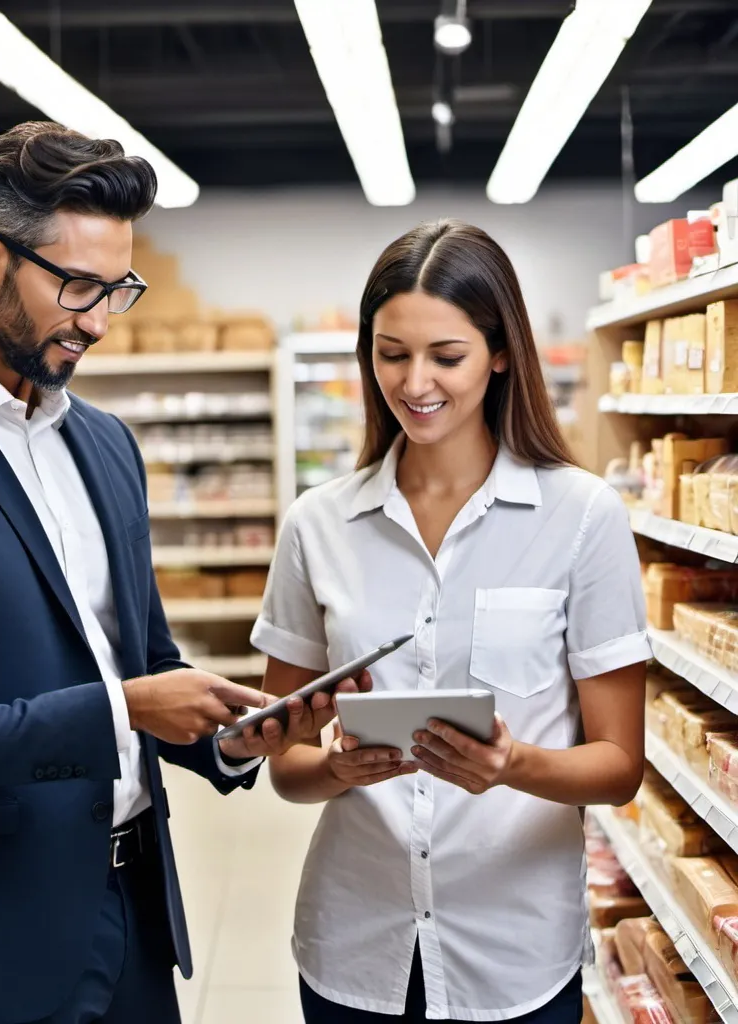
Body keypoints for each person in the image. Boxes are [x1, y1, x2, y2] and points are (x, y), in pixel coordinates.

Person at [0, 121, 347, 1024]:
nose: (96, 320)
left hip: (129, 922)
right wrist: (122, 710)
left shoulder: (104, 443)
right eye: (76, 285)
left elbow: (144, 660)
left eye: (117, 288)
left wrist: (233, 735)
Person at [251, 220, 649, 1024]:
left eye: (447, 356)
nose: (415, 381)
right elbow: (283, 761)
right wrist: (334, 769)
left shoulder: (579, 517)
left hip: (513, 954)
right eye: (392, 353)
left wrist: (512, 765)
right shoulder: (318, 524)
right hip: (354, 944)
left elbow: (619, 765)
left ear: (500, 352)